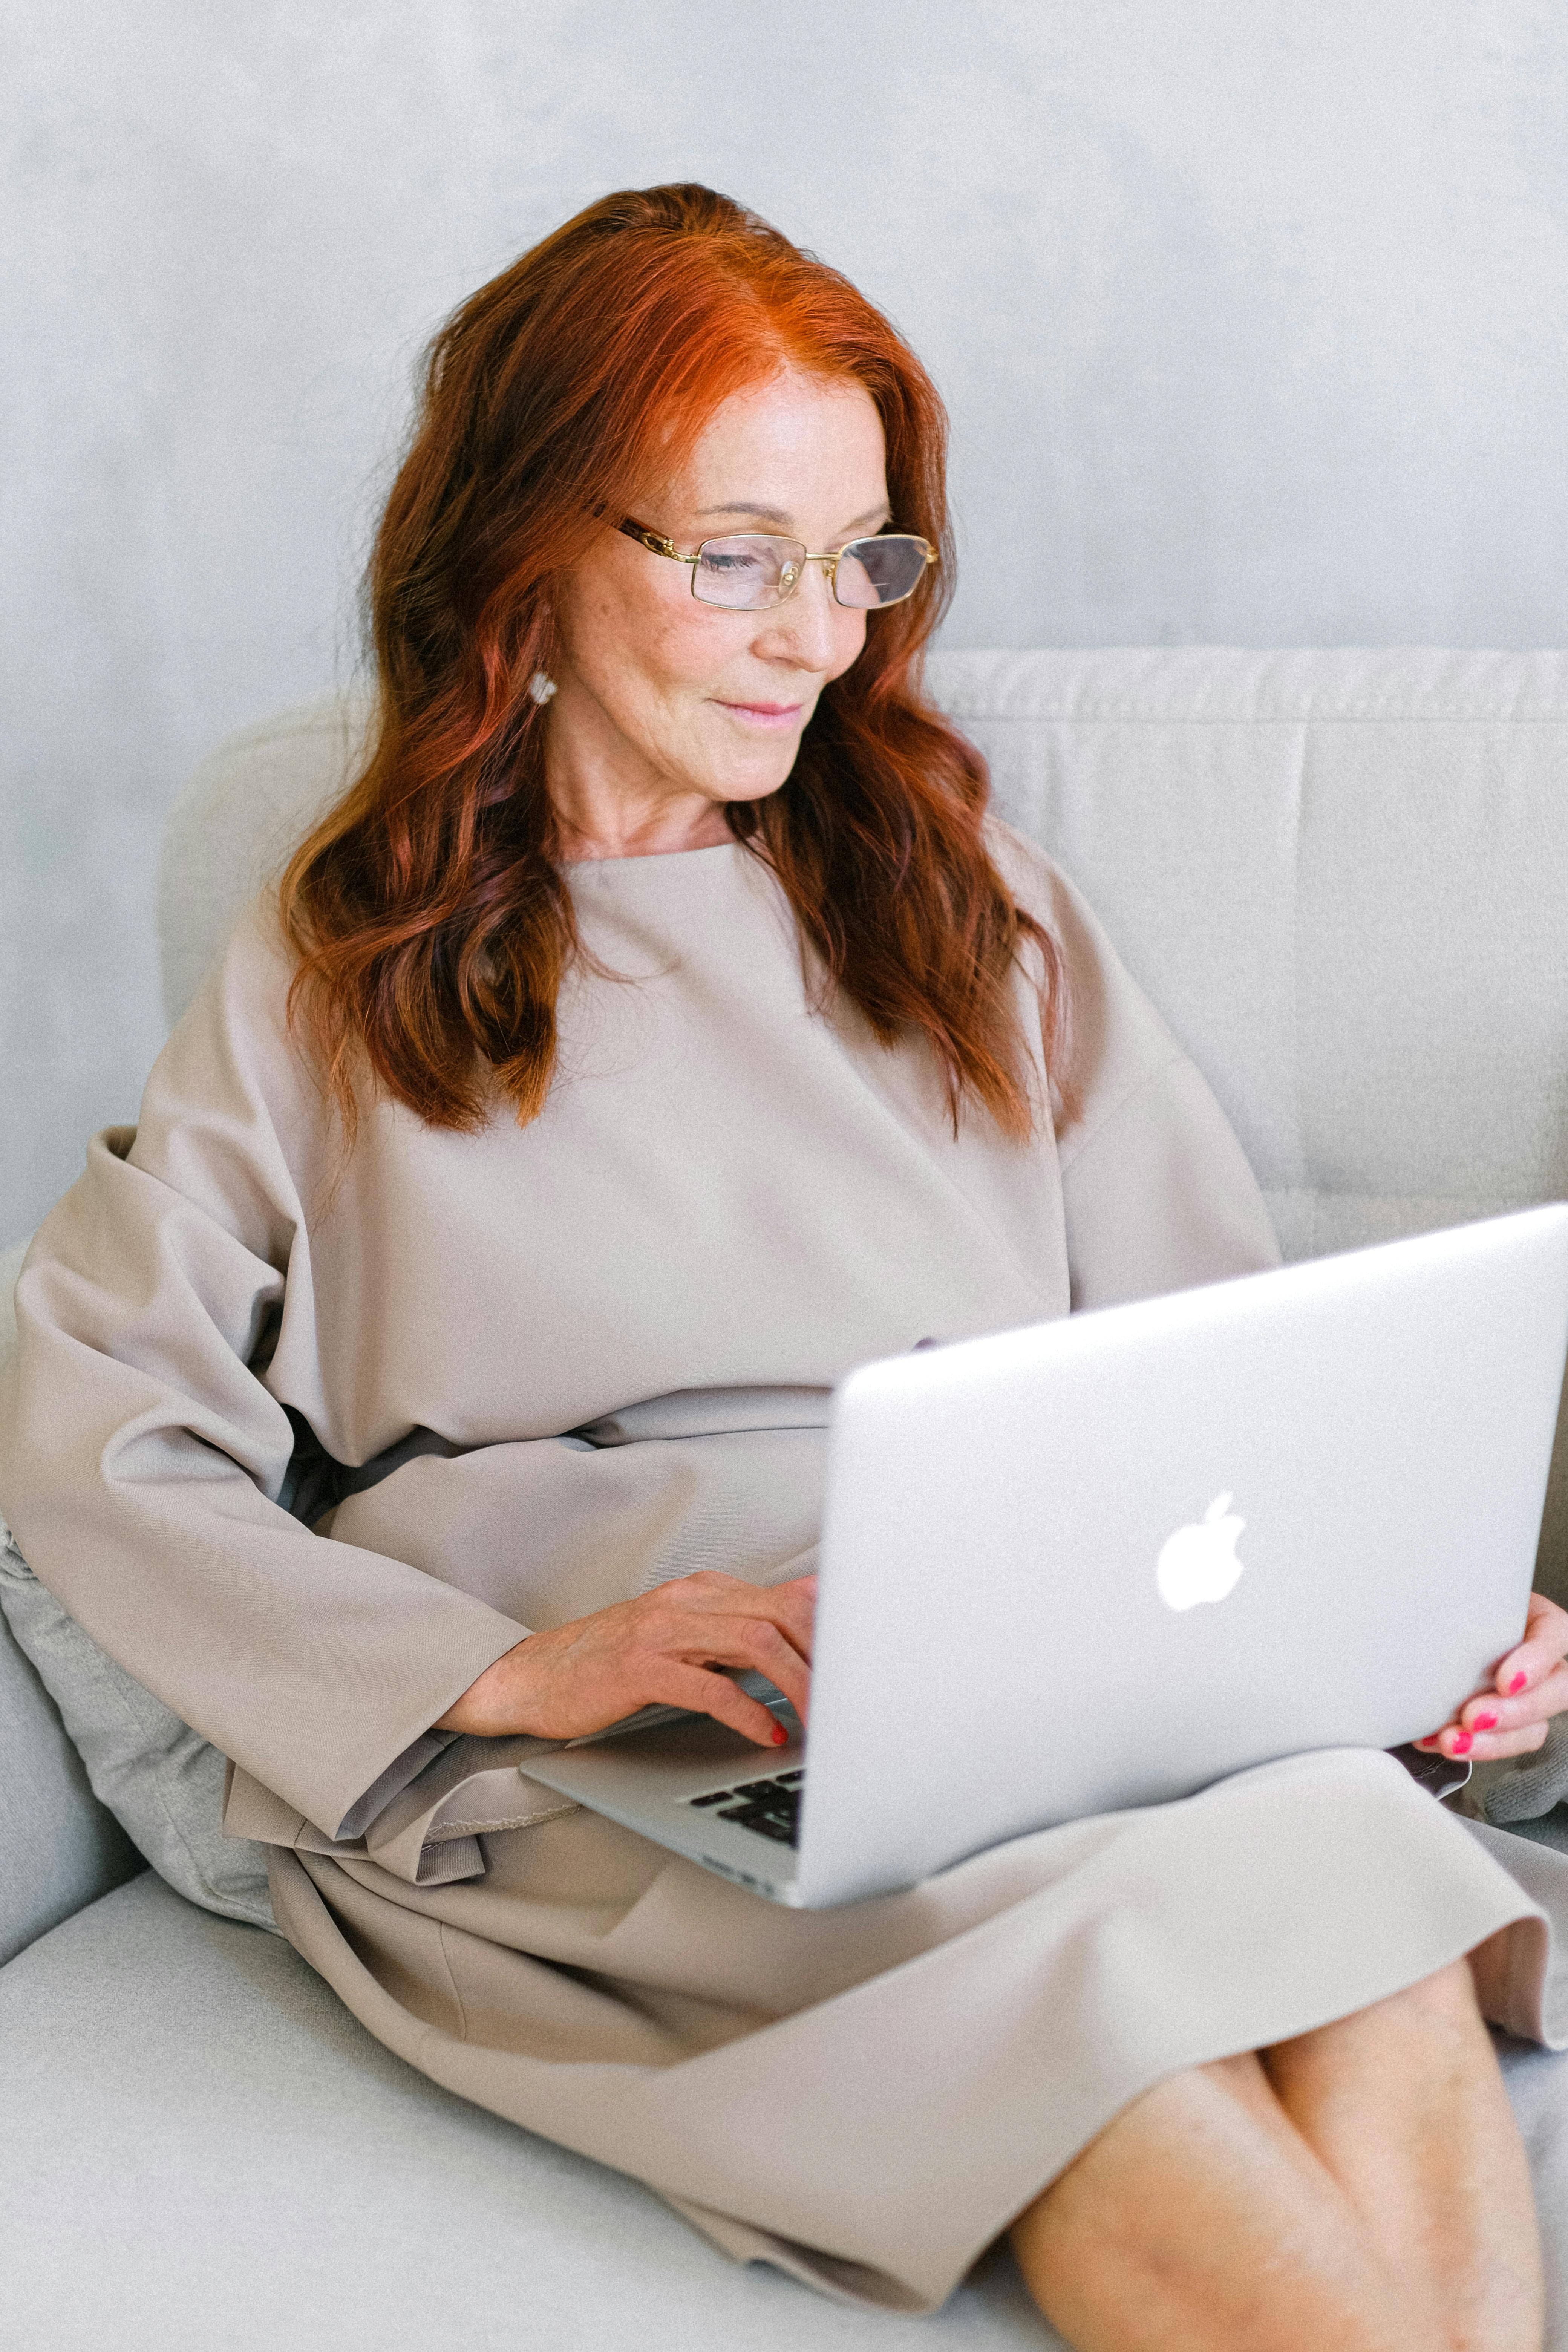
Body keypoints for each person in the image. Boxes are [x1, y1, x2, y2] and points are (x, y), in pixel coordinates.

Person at [4, 183, 1568, 2352]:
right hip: (655, 1748)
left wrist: (1411, 1622)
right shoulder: (340, 963)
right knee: (1117, 2034)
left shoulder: (963, 903)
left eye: (861, 558)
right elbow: (86, 1420)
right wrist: (484, 1672)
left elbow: (1233, 1373)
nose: (817, 637)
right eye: (735, 557)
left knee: (1366, 1908)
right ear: (531, 552)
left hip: (1039, 1686)